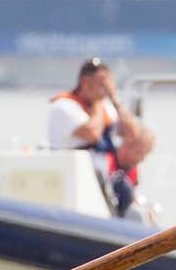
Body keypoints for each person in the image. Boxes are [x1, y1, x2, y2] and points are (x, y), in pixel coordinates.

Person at [45, 58, 157, 215]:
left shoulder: (106, 107)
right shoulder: (64, 107)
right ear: (85, 82)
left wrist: (113, 98)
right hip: (75, 178)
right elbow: (92, 134)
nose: (103, 88)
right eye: (100, 83)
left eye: (107, 83)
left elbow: (132, 132)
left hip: (102, 179)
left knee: (125, 191)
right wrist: (98, 101)